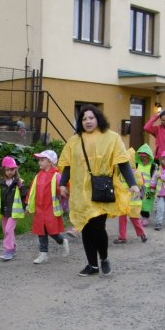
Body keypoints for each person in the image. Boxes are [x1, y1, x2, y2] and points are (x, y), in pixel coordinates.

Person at [57, 105, 139, 276]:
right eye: (84, 119)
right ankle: (92, 265)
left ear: (98, 118)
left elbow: (122, 162)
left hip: (101, 189)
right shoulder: (74, 141)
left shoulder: (112, 138)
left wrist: (133, 183)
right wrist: (63, 183)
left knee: (98, 227)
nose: (87, 121)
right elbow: (68, 164)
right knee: (86, 227)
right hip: (81, 192)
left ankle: (104, 258)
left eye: (91, 118)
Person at [27, 150, 68, 264]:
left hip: (51, 209)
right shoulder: (38, 176)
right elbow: (32, 191)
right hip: (40, 209)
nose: (39, 162)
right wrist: (29, 205)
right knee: (41, 232)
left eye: (42, 160)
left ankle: (62, 241)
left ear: (50, 162)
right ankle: (43, 254)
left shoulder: (57, 176)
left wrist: (65, 196)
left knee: (52, 232)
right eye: (39, 160)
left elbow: (63, 189)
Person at [0, 155, 28, 261]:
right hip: (4, 211)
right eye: (8, 170)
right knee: (6, 231)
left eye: (12, 169)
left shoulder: (19, 182)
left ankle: (8, 250)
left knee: (8, 230)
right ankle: (13, 248)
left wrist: (26, 207)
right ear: (3, 170)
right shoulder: (0, 183)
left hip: (14, 212)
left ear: (16, 170)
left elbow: (25, 195)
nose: (10, 172)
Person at [113, 147, 148, 244]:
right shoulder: (134, 172)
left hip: (130, 201)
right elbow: (142, 185)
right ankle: (140, 235)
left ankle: (124, 237)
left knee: (126, 219)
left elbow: (140, 184)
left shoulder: (130, 173)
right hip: (130, 201)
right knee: (132, 219)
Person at [135, 144, 156, 226]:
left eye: (144, 157)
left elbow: (155, 177)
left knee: (147, 203)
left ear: (149, 157)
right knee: (139, 203)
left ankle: (146, 218)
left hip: (149, 189)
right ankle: (143, 217)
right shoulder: (137, 165)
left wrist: (154, 188)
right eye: (141, 157)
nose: (143, 159)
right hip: (139, 188)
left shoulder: (153, 166)